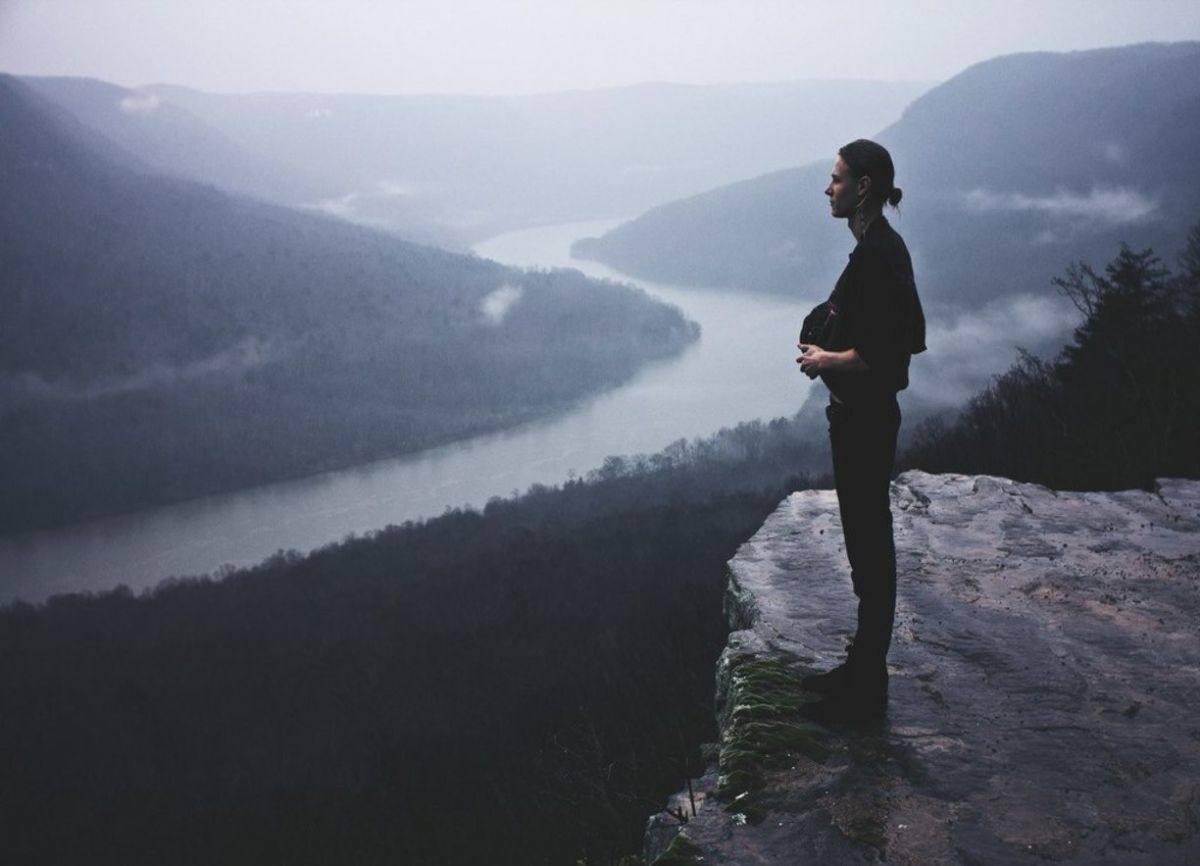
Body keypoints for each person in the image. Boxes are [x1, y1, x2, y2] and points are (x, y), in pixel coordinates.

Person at [796, 139, 926, 723]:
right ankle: (861, 670)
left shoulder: (876, 255)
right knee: (866, 543)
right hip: (864, 418)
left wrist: (826, 361)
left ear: (864, 187)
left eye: (837, 179)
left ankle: (866, 684)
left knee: (869, 548)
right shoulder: (879, 250)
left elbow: (885, 356)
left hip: (865, 420)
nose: (829, 189)